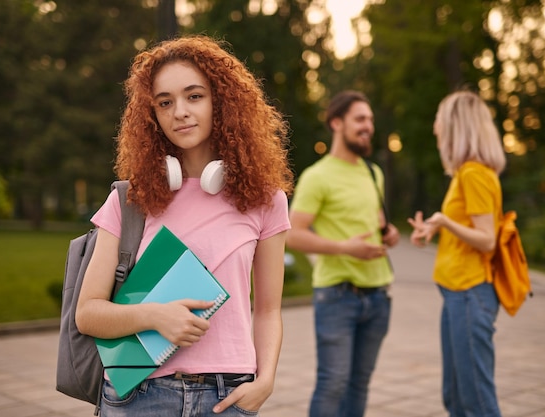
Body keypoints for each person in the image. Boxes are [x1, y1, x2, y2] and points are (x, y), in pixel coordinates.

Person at [75, 35, 294, 416]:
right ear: (152, 114)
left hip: (228, 397)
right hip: (138, 394)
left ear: (221, 102)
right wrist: (155, 315)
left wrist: (266, 380)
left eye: (194, 96)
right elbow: (88, 313)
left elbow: (268, 310)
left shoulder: (266, 199)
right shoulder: (129, 200)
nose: (179, 111)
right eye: (165, 102)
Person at [286, 90, 400, 417]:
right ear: (337, 122)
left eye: (371, 120)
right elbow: (293, 234)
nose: (368, 126)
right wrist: (343, 248)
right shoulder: (316, 176)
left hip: (378, 295)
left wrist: (388, 235)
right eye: (360, 119)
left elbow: (374, 223)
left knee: (359, 384)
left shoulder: (373, 172)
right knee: (333, 383)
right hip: (337, 296)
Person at [408, 90, 506, 417]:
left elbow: (487, 239)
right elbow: (470, 228)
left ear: (454, 126)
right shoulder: (466, 172)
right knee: (457, 399)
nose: (435, 127)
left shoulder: (474, 173)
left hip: (470, 294)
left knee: (476, 402)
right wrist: (436, 228)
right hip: (457, 295)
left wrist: (445, 221)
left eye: (439, 119)